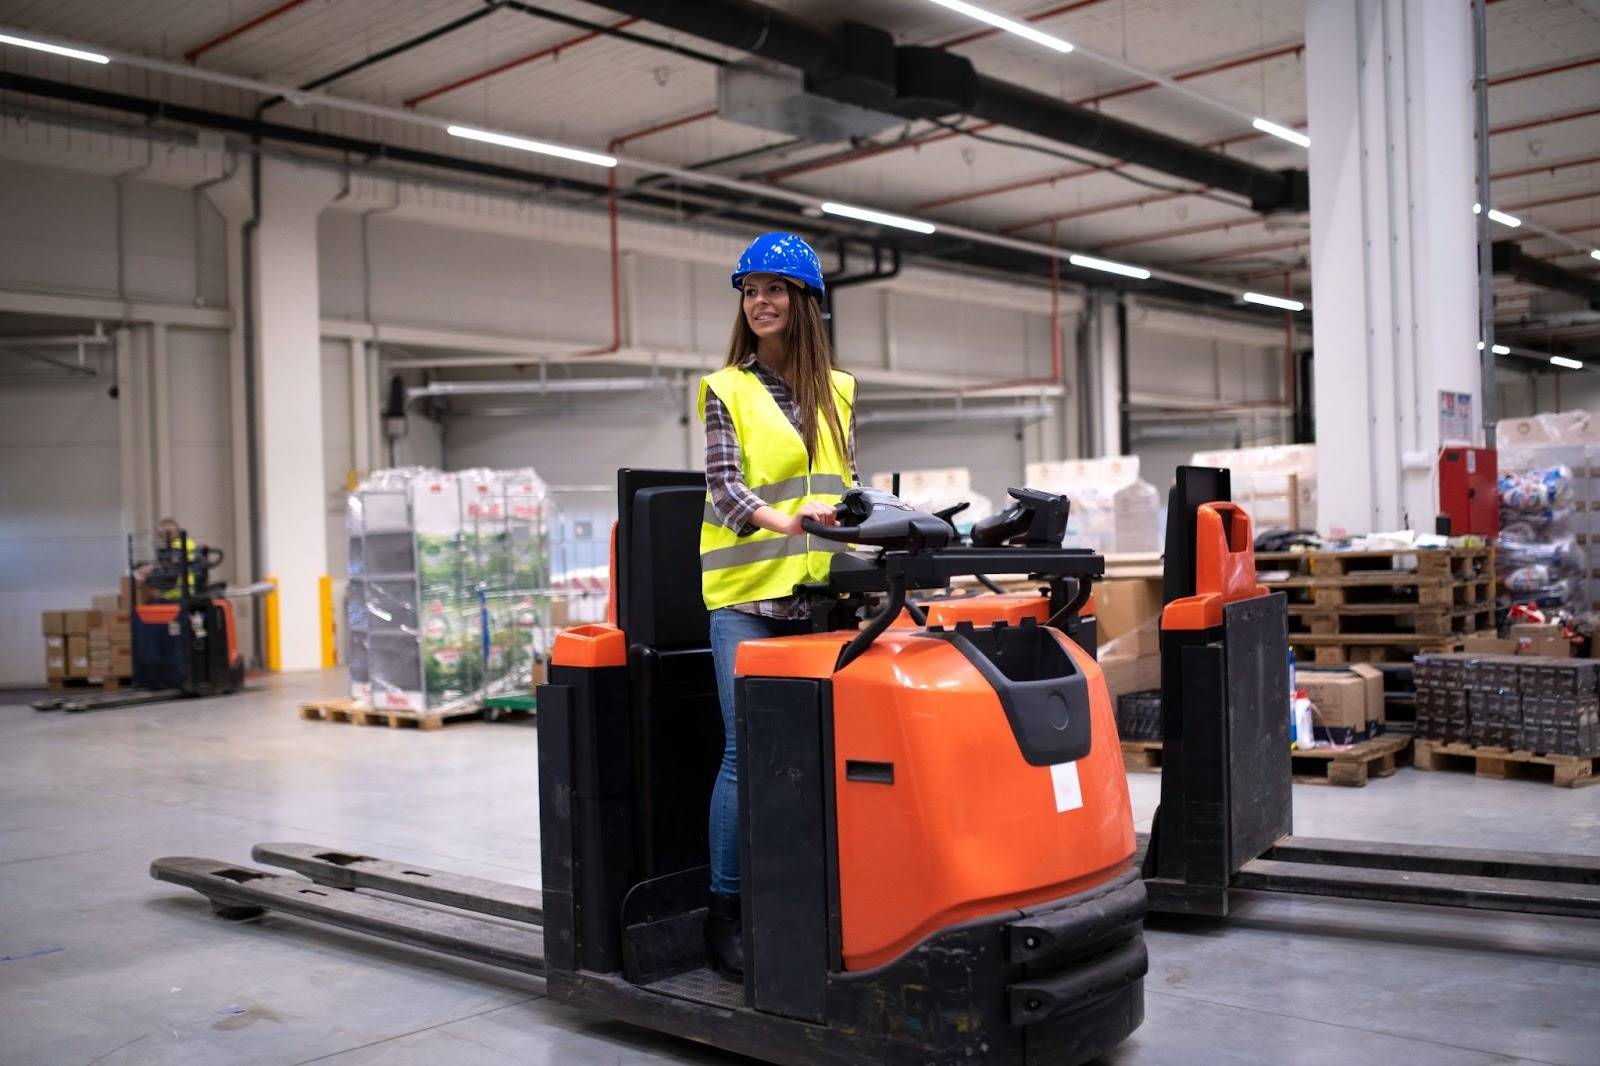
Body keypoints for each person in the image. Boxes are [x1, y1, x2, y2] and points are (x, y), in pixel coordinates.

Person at [698, 232, 859, 980]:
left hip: (817, 603)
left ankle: (810, 894)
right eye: (750, 290)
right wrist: (785, 522)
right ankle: (724, 912)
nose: (760, 302)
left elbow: (842, 486)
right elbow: (726, 490)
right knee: (745, 754)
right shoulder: (724, 389)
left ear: (805, 304)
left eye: (775, 289)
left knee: (818, 754)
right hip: (744, 602)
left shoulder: (841, 391)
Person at [138, 517, 199, 602]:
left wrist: (147, 578)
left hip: (177, 591)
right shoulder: (188, 543)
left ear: (168, 534)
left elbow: (170, 575)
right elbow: (172, 566)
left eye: (161, 535)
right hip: (190, 587)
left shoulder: (175, 549)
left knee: (151, 603)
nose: (161, 538)